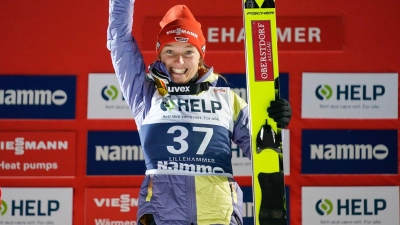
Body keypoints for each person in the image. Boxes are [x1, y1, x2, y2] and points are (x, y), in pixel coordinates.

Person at [107, 0, 292, 224]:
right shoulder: (145, 95)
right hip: (163, 216)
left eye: (188, 51)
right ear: (159, 54)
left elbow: (263, 150)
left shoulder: (227, 99)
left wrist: (274, 122)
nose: (179, 61)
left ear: (201, 55)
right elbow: (120, 42)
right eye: (169, 51)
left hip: (219, 216)